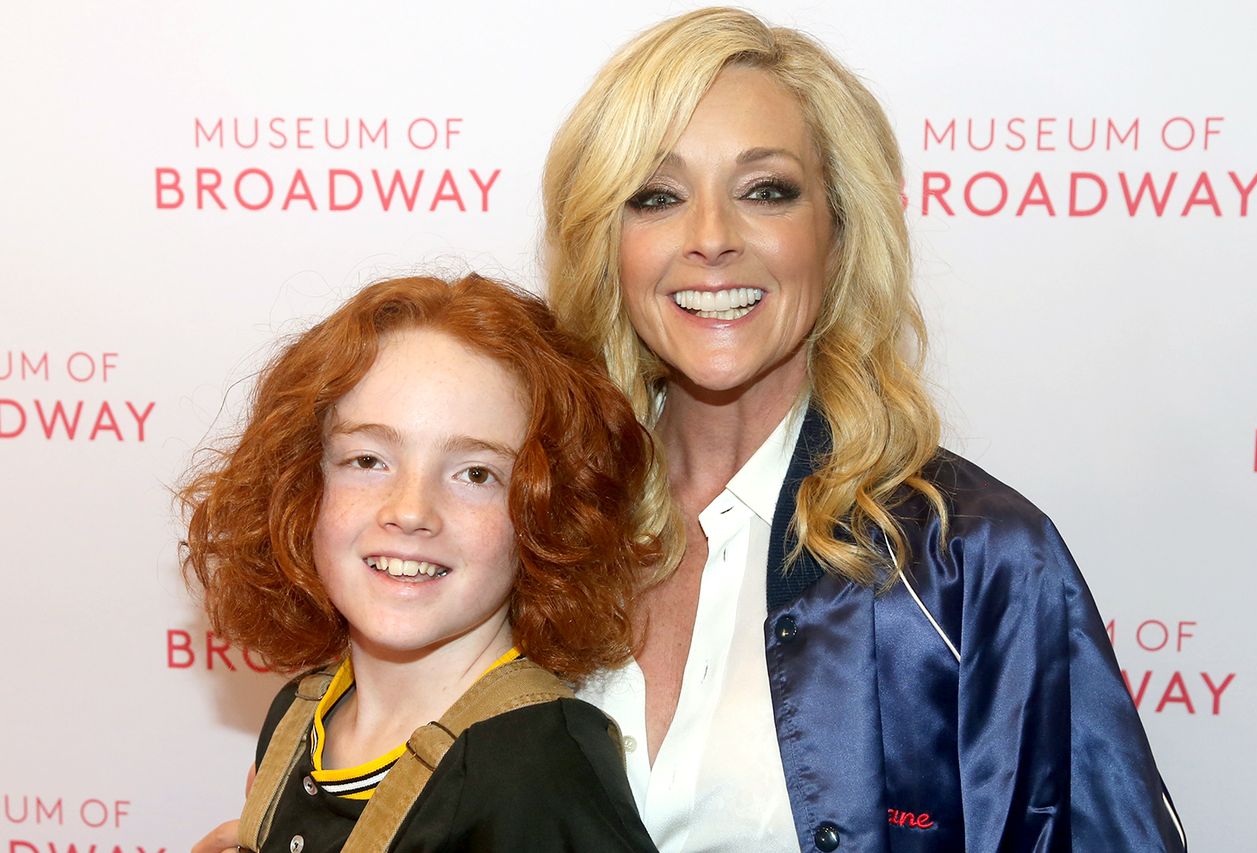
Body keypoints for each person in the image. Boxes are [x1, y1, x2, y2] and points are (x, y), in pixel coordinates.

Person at [541, 7, 1187, 852]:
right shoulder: (540, 524)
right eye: (656, 196)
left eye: (765, 190)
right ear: (606, 243)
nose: (710, 240)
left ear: (839, 233)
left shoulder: (974, 557)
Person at [181, 275, 659, 852]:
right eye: (367, 460)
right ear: (301, 489)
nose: (410, 511)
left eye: (476, 474)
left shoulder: (538, 766)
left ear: (547, 517)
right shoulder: (300, 716)